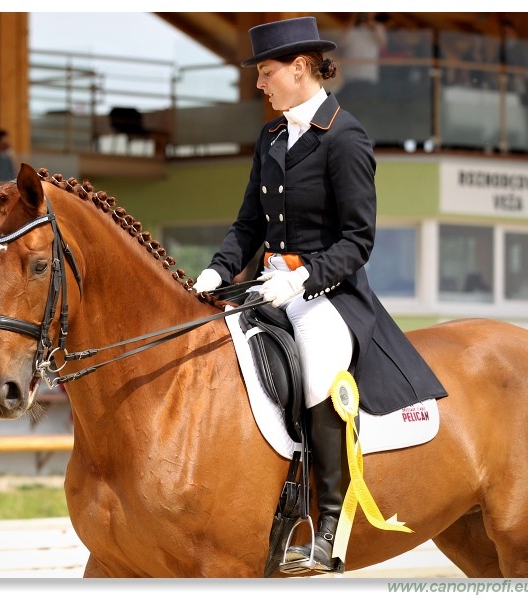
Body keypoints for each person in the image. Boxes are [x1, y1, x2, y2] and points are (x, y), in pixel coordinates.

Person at [191, 16, 447, 573]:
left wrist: (302, 280)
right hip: (267, 287)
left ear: (300, 68)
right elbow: (248, 225)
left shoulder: (345, 137)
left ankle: (325, 525)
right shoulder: (272, 136)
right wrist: (215, 272)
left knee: (317, 366)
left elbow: (359, 240)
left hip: (327, 294)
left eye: (266, 72)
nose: (259, 84)